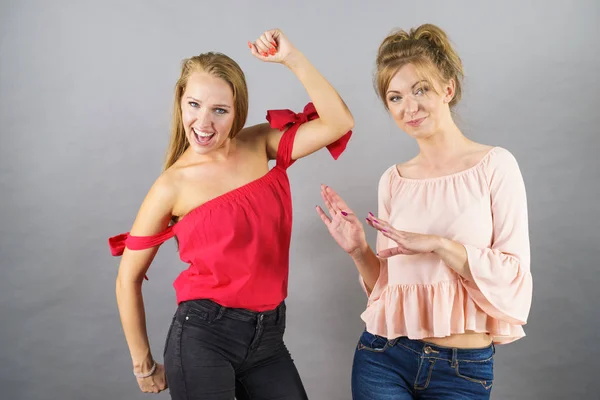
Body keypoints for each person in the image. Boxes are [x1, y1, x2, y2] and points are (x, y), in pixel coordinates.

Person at [108, 28, 353, 399]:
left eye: (219, 110)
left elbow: (339, 123)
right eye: (194, 105)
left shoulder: (258, 144)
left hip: (268, 339)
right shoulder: (171, 186)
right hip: (204, 337)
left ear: (237, 112)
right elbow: (127, 278)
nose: (203, 124)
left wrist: (291, 58)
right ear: (180, 101)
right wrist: (143, 366)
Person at [317, 23, 532, 399]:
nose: (409, 107)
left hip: (462, 370)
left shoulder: (495, 166)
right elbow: (386, 290)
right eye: (395, 97)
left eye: (421, 90)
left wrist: (438, 244)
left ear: (447, 88)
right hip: (384, 357)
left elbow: (513, 276)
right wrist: (358, 250)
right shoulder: (394, 180)